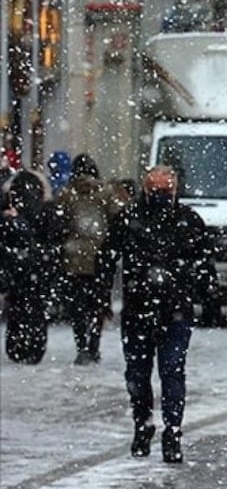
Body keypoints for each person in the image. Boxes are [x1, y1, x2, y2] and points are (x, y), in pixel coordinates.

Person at [99, 166, 216, 463]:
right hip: (141, 309)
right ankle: (144, 425)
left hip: (173, 310)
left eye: (166, 189)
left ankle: (171, 431)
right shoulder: (130, 219)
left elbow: (204, 264)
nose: (162, 195)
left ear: (175, 190)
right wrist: (101, 298)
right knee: (140, 373)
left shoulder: (187, 221)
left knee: (170, 371)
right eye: (156, 189)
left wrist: (208, 297)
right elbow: (106, 258)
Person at [52, 154, 123, 365]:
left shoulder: (66, 193)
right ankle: (94, 344)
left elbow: (58, 222)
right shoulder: (106, 193)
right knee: (98, 304)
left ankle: (81, 344)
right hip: (100, 257)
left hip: (73, 258)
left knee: (77, 306)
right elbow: (118, 219)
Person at [1, 170, 59, 364]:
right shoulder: (46, 209)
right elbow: (54, 234)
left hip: (18, 265)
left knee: (17, 305)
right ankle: (33, 347)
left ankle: (17, 346)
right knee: (36, 307)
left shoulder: (12, 211)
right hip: (38, 266)